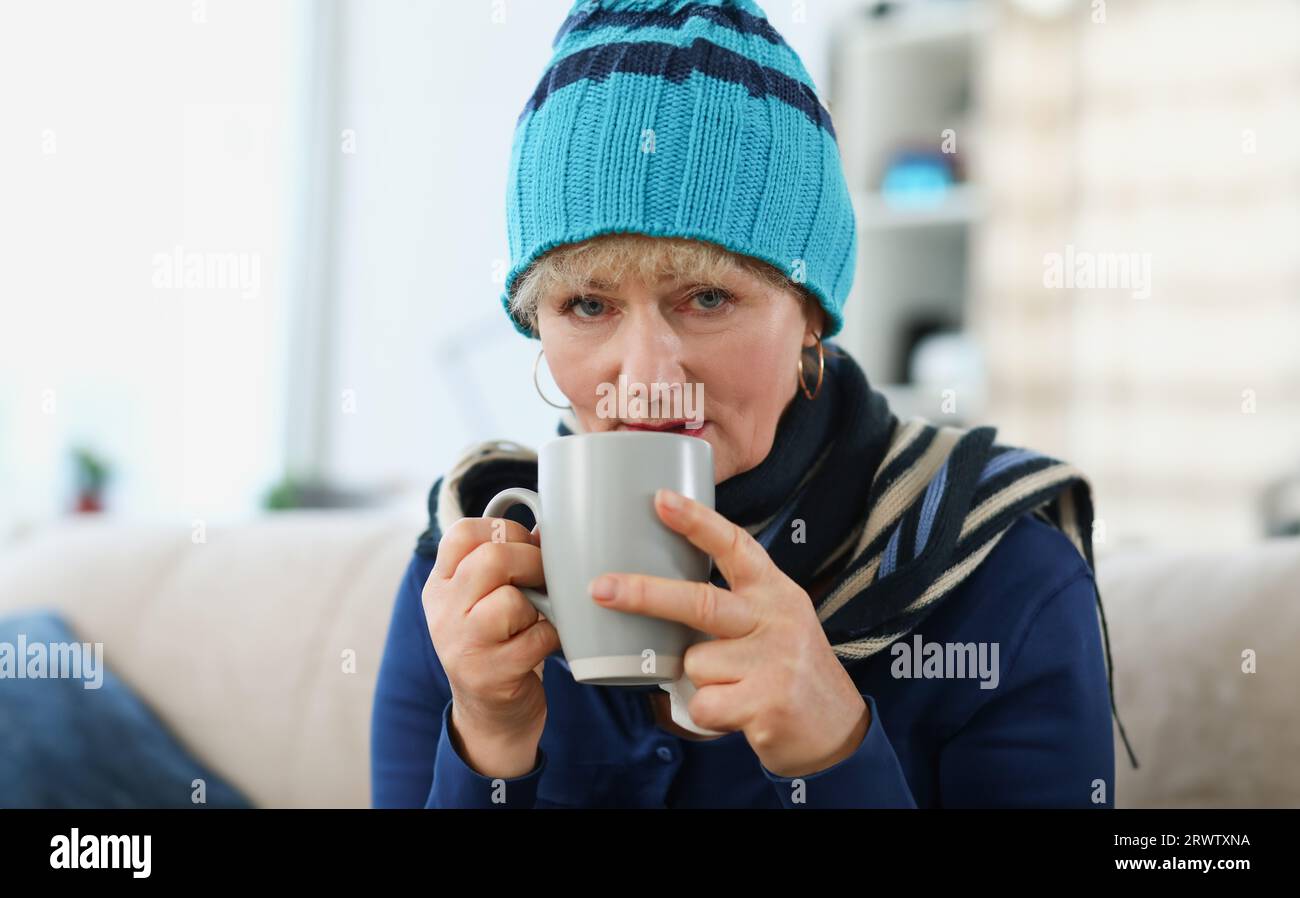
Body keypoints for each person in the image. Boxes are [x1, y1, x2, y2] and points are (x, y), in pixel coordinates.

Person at [370, 0, 1135, 809]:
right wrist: (488, 741)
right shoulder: (467, 572)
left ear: (810, 315)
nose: (643, 374)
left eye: (705, 296)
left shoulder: (1001, 570)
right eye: (586, 306)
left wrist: (834, 749)